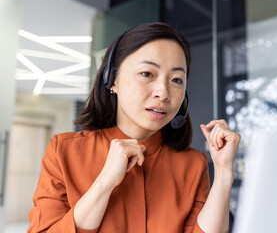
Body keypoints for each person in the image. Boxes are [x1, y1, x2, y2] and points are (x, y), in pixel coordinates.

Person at [27, 22, 240, 233]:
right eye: (147, 74)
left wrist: (223, 173)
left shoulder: (193, 164)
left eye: (176, 80)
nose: (163, 92)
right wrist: (104, 184)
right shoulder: (64, 151)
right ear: (112, 80)